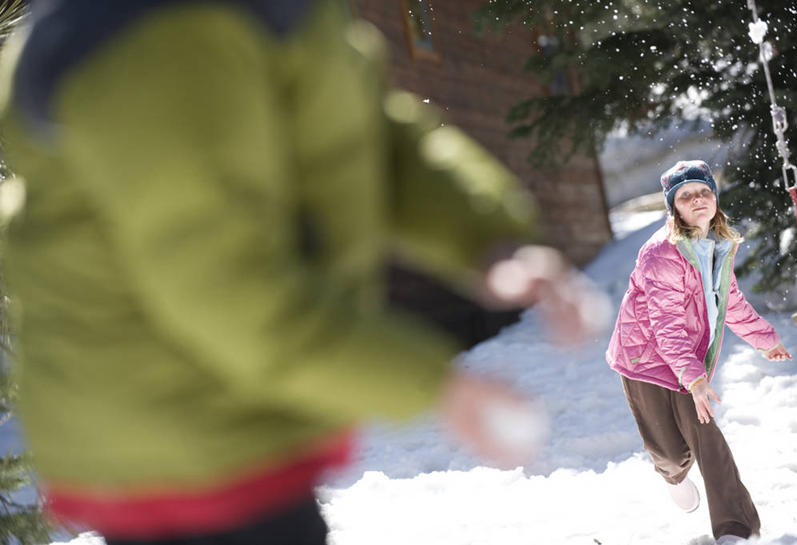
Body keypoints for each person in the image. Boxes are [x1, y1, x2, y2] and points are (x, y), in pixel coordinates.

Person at [0, 1, 602, 544]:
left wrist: (487, 239)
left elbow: (362, 136)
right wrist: (430, 385)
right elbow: (221, 284)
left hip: (242, 396)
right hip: (169, 431)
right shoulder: (157, 41)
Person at [606, 160, 792, 545]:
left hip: (685, 361)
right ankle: (672, 477)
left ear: (714, 198)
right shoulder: (662, 254)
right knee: (671, 454)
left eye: (703, 191)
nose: (697, 200)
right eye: (686, 196)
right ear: (674, 206)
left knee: (707, 436)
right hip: (644, 361)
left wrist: (765, 339)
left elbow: (731, 302)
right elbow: (666, 325)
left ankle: (734, 529)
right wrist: (695, 378)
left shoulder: (717, 245)